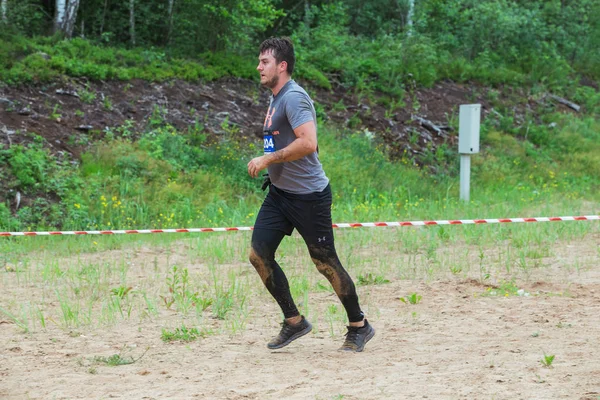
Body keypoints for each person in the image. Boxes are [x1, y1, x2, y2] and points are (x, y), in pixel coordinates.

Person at [247, 37, 375, 352]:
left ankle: (359, 325)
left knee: (324, 262)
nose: (259, 67)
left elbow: (308, 143)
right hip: (279, 194)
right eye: (260, 61)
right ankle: (294, 321)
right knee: (258, 255)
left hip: (309, 197)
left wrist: (267, 159)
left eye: (265, 62)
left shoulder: (293, 97)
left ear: (282, 65)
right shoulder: (276, 97)